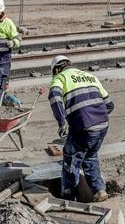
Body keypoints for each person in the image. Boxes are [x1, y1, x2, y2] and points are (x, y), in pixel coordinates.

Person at [48, 55, 114, 202]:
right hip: (103, 125)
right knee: (90, 156)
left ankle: (68, 196)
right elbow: (110, 105)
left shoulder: (61, 77)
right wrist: (96, 115)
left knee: (71, 158)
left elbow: (54, 97)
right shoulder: (90, 76)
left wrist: (62, 122)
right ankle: (99, 190)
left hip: (83, 126)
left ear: (57, 69)